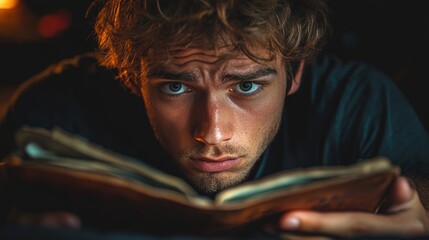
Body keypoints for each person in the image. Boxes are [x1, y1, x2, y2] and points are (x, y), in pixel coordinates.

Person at [1, 0, 429, 238]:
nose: (213, 132)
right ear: (133, 78)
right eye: (176, 87)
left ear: (295, 71)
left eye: (246, 86)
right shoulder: (52, 114)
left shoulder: (357, 102)